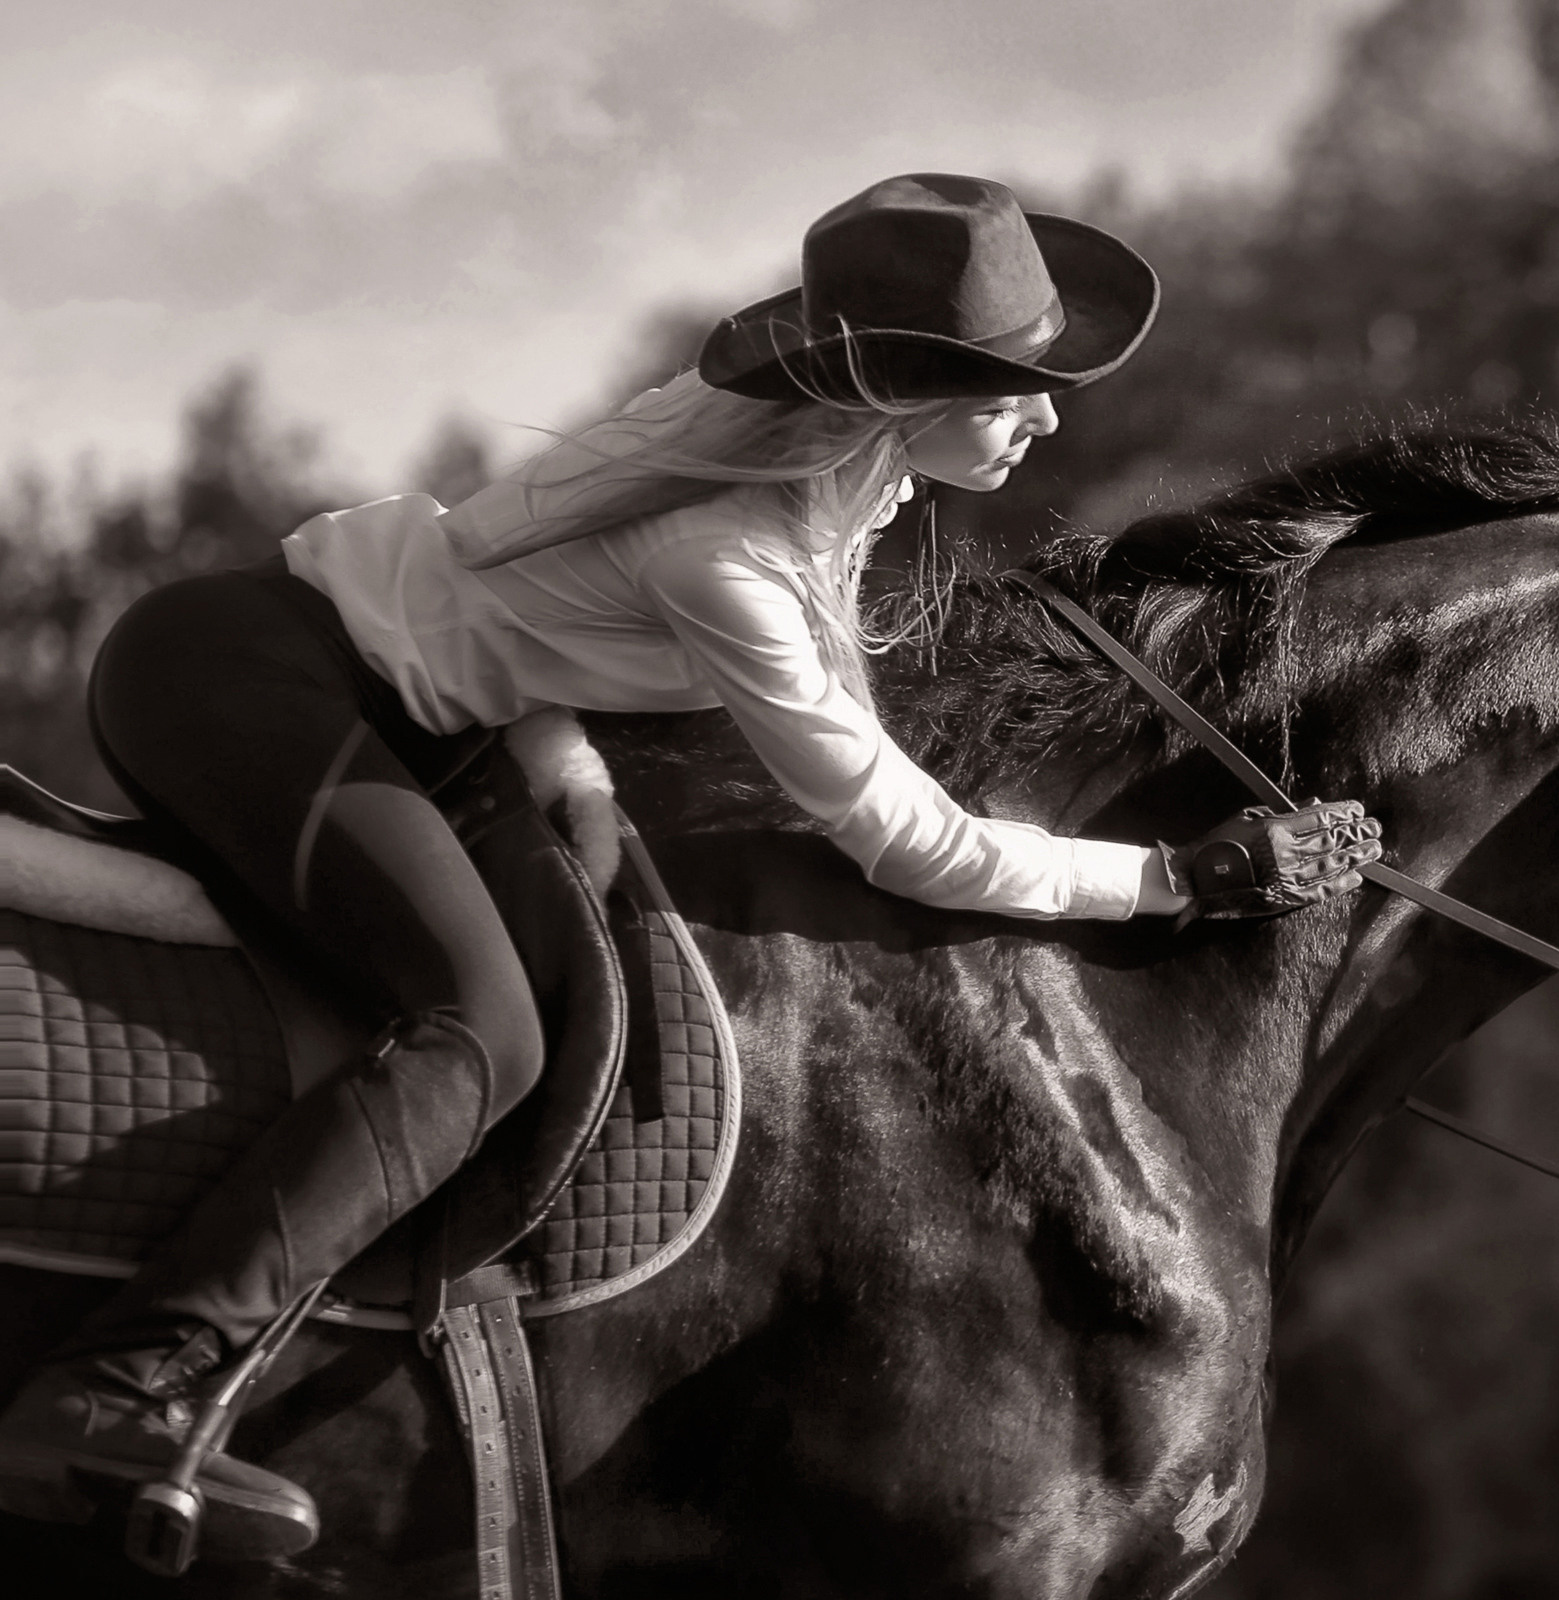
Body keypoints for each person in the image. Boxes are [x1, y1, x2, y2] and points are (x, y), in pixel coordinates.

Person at [0, 174, 1382, 1558]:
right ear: (906, 388)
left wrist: (569, 767)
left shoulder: (838, 469)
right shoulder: (735, 550)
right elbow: (904, 839)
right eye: (1018, 386)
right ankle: (115, 1384)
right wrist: (1174, 881)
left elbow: (507, 619)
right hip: (243, 684)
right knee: (480, 1031)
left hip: (407, 716)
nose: (1049, 414)